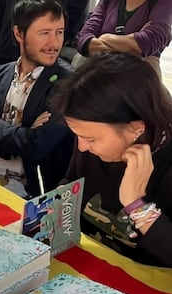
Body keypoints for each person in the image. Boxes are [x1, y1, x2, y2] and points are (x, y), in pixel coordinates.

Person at [51, 51, 172, 268]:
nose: (81, 147)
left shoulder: (166, 164)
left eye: (90, 138)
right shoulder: (90, 146)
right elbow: (71, 187)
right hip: (89, 270)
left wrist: (137, 205)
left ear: (136, 128)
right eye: (77, 135)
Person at [0, 0, 74, 198]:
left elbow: (37, 146)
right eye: (44, 33)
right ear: (19, 34)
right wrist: (23, 134)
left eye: (59, 32)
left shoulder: (68, 83)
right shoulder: (2, 73)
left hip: (26, 194)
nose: (54, 43)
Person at [0, 0, 90, 74]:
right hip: (7, 46)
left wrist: (55, 41)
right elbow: (0, 1)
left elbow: (79, 7)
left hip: (43, 52)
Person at [76, 0, 172, 76]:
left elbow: (149, 42)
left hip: (140, 79)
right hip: (100, 75)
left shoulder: (165, 0)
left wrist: (105, 38)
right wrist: (131, 46)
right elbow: (83, 40)